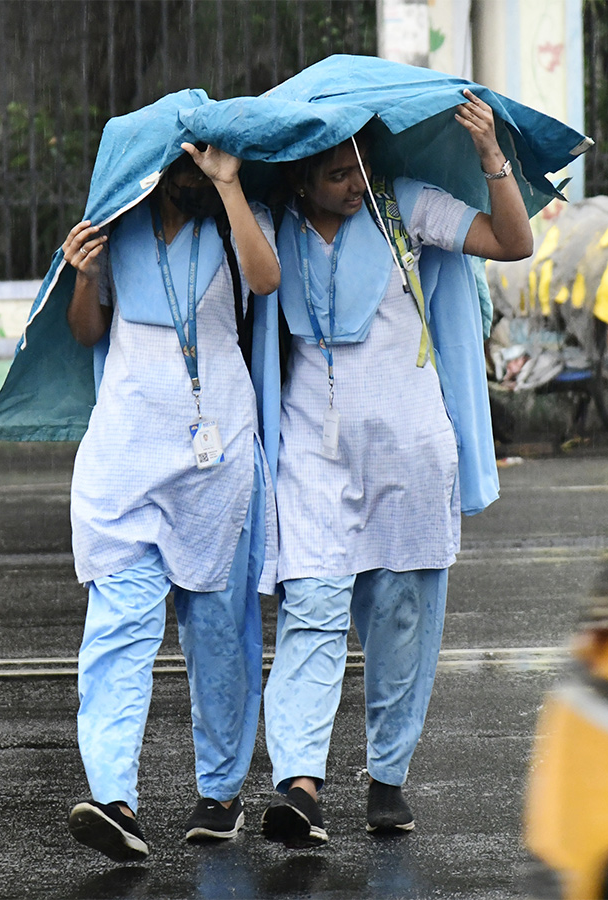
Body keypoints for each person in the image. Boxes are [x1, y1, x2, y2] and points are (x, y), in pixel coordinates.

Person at [261, 89, 533, 844]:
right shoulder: (270, 229)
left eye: (358, 164)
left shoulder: (403, 206)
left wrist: (490, 157)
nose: (353, 180)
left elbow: (513, 244)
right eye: (335, 172)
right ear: (298, 180)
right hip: (312, 453)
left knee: (402, 616)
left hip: (410, 451)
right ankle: (301, 786)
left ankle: (387, 776)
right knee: (310, 607)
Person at [62, 142, 280, 862]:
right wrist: (85, 278)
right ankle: (113, 796)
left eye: (205, 164)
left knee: (219, 633)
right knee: (119, 624)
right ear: (153, 171)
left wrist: (229, 187)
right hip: (126, 457)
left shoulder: (235, 221)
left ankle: (220, 794)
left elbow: (267, 280)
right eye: (186, 166)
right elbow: (87, 331)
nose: (195, 177)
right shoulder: (116, 229)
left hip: (213, 465)